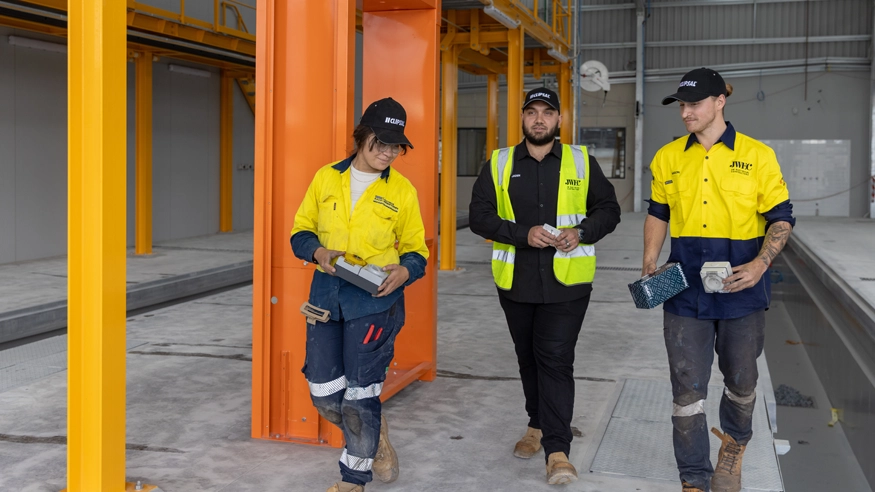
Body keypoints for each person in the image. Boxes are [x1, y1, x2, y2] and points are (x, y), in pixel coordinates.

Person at [643, 68, 795, 492]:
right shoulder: (668, 157)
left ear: (719, 102)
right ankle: (693, 476)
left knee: (742, 380)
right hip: (684, 288)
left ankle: (732, 448)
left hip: (741, 290)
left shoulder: (758, 156)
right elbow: (659, 212)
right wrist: (650, 257)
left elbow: (781, 218)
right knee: (686, 387)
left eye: (693, 104)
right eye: (681, 106)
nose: (686, 113)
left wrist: (762, 264)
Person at [469, 87, 621, 485]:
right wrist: (523, 234)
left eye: (547, 113)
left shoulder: (581, 161)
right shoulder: (500, 163)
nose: (539, 119)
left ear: (558, 120)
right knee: (528, 358)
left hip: (566, 285)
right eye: (532, 112)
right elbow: (479, 216)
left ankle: (557, 450)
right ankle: (536, 424)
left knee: (554, 359)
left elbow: (609, 209)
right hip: (515, 282)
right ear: (522, 118)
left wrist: (583, 232)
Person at [290, 97, 429, 492]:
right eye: (380, 142)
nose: (388, 153)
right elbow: (300, 231)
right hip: (325, 299)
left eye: (396, 146)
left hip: (374, 303)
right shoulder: (325, 178)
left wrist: (405, 271)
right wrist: (316, 251)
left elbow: (417, 250)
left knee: (360, 396)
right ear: (361, 137)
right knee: (323, 394)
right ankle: (374, 434)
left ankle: (354, 478)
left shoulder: (402, 191)